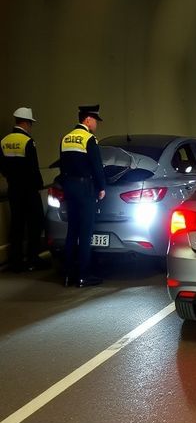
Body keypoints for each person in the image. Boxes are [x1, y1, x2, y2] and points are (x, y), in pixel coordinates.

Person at [58, 104, 106, 287]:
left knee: (72, 231)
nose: (96, 124)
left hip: (69, 187)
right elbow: (97, 166)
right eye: (95, 120)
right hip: (85, 188)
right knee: (85, 233)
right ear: (88, 119)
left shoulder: (66, 138)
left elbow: (62, 166)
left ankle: (68, 275)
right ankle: (83, 276)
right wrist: (101, 187)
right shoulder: (89, 138)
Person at [0, 107, 45, 272]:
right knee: (36, 222)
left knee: (17, 224)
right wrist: (38, 186)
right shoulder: (27, 141)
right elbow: (33, 168)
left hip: (14, 189)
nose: (30, 127)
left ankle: (16, 260)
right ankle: (33, 257)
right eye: (30, 123)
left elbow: (2, 167)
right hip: (29, 189)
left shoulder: (4, 141)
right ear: (26, 122)